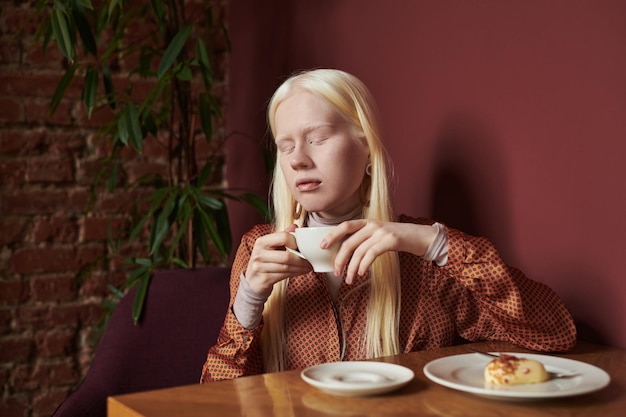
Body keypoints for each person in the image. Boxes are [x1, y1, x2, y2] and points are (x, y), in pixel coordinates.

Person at [200, 69, 576, 382]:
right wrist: (249, 303)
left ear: (365, 146)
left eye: (317, 138)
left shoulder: (424, 257)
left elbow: (554, 334)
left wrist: (436, 245)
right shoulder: (259, 250)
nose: (298, 159)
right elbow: (215, 396)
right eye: (285, 146)